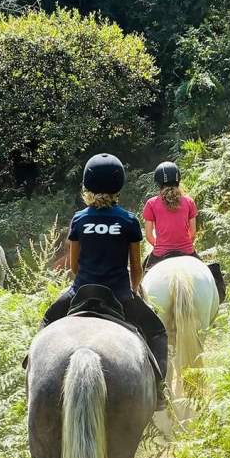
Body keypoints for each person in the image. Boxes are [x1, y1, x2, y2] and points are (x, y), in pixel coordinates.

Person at [41, 153, 169, 409]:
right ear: (118, 185)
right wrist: (133, 291)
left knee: (46, 322)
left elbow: (74, 266)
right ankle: (158, 391)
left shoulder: (79, 219)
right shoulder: (128, 221)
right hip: (120, 294)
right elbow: (135, 265)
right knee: (157, 332)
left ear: (87, 185)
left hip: (81, 292)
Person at [142, 161, 226, 300]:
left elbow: (149, 236)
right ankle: (218, 301)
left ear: (158, 183)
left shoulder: (151, 203)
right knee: (211, 276)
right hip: (187, 251)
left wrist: (161, 245)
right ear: (178, 180)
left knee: (141, 281)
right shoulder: (189, 201)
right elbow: (192, 233)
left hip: (160, 252)